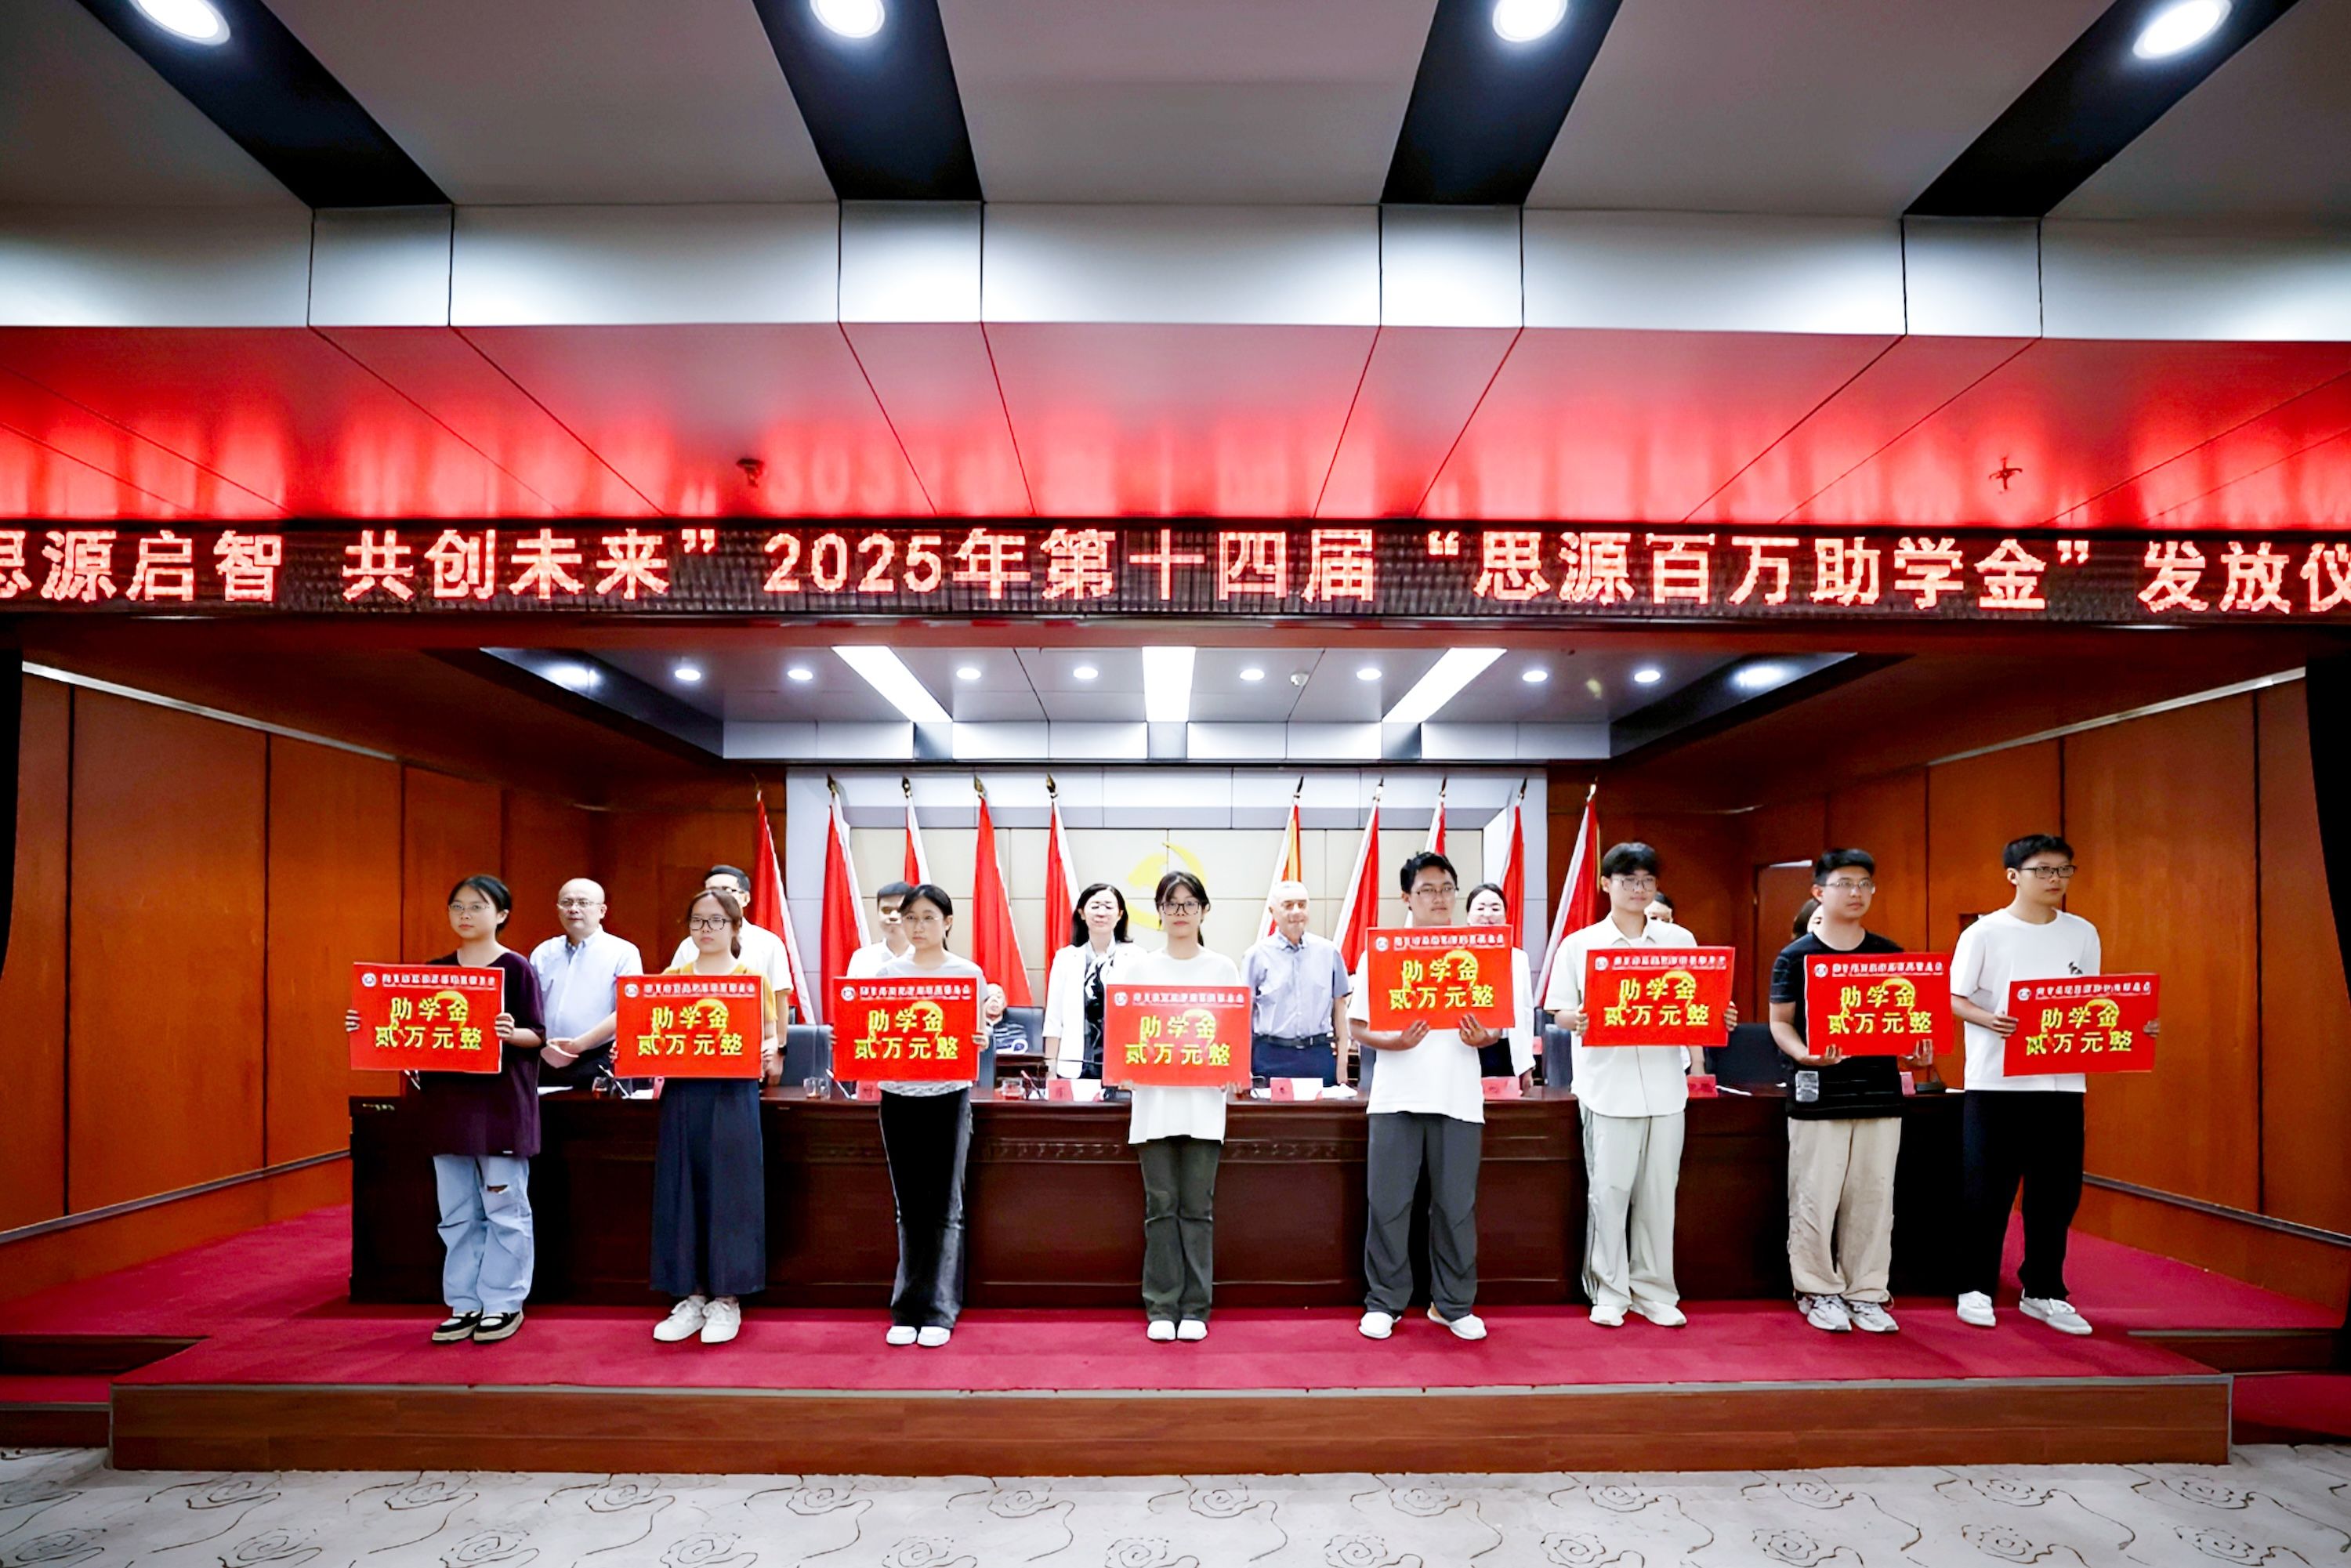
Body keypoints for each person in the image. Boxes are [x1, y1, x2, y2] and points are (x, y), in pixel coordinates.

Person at [552, 889, 781, 1345]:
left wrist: (768, 1050)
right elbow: (633, 1016)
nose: (706, 929)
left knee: (731, 1191)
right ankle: (690, 1295)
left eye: (716, 921)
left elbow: (771, 1036)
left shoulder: (752, 979)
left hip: (733, 1096)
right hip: (683, 1095)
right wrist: (589, 1045)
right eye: (697, 921)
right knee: (681, 1187)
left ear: (736, 927)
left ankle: (727, 1299)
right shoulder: (673, 979)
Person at [1950, 835, 2151, 1337]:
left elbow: (2090, 1001)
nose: (2055, 879)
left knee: (2056, 1193)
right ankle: (1975, 1286)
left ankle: (2043, 1290)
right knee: (1988, 1190)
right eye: (2043, 870)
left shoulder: (2082, 932)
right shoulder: (1985, 932)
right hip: (1996, 1083)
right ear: (2013, 875)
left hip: (2063, 1084)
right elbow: (1951, 997)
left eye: (2064, 870)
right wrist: (1987, 1018)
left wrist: (2133, 1024)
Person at [345, 875, 543, 1345]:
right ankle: (464, 1302)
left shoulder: (516, 969)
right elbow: (404, 1033)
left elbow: (538, 1036)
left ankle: (503, 1302)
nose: (466, 915)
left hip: (499, 1109)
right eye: (458, 906)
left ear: (502, 914)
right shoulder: (434, 972)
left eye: (477, 906)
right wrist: (365, 1023)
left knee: (505, 1208)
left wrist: (509, 1032)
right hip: (447, 1108)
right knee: (455, 1212)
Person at [1546, 842, 1737, 1329]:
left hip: (1665, 1086)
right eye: (1628, 880)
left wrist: (1720, 1017)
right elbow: (1558, 1010)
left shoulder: (1680, 940)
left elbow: (1699, 1006)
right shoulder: (1581, 944)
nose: (1639, 889)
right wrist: (1576, 1018)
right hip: (1607, 1087)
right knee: (1608, 1194)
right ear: (1606, 884)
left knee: (1658, 1195)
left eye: (1648, 880)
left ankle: (1654, 1290)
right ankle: (1609, 1290)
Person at [1768, 849, 1932, 1335]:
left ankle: (1867, 1292)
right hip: (1819, 1093)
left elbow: (1907, 1026)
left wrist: (1916, 1053)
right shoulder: (1796, 957)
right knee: (1815, 1196)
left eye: (1865, 884)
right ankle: (1816, 1290)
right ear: (1819, 892)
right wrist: (1804, 1054)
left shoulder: (1890, 954)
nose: (1856, 893)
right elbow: (1780, 1023)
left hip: (1879, 1092)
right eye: (1844, 884)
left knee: (1874, 1197)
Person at [1349, 852, 1502, 1342]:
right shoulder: (1383, 951)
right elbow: (1357, 1025)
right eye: (1427, 890)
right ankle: (1384, 1302)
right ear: (1407, 898)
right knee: (1389, 1204)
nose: (1439, 898)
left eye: (1446, 889)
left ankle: (1452, 1304)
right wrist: (1394, 1042)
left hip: (1458, 1096)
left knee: (1456, 1206)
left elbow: (1496, 1026)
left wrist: (1484, 1037)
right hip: (1396, 1096)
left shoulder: (1478, 950)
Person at [1114, 871, 1244, 1342]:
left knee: (1197, 1209)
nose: (1181, 912)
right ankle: (1161, 1306)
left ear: (1204, 911)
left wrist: (1235, 1070)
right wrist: (1123, 1069)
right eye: (1172, 904)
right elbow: (1124, 1038)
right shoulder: (1140, 970)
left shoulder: (1222, 969)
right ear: (1160, 913)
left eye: (1190, 904)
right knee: (1161, 1207)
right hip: (1154, 1106)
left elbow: (1234, 1039)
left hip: (1203, 1106)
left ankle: (1195, 1308)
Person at [875, 885, 988, 1347]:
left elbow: (976, 1035)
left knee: (945, 1207)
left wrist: (981, 1039)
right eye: (910, 918)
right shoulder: (886, 974)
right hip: (897, 1096)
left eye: (927, 917)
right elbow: (873, 1031)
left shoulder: (967, 974)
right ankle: (907, 1308)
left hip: (948, 1096)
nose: (918, 926)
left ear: (947, 923)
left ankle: (940, 1310)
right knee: (909, 1207)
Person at [531, 878, 643, 1090]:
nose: (574, 909)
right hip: (546, 1057)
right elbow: (531, 1005)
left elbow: (628, 1010)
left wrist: (578, 1045)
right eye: (567, 903)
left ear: (602, 911)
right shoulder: (544, 952)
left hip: (598, 1057)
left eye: (583, 903)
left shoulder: (623, 952)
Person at [1242, 879, 1351, 1085]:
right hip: (1271, 1056)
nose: (1296, 911)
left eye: (1302, 905)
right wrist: (1242, 1066)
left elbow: (1340, 1007)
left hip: (1318, 1055)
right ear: (1273, 912)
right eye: (1288, 905)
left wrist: (1342, 1064)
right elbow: (1244, 1014)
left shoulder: (1329, 952)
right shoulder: (1256, 956)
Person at [1044, 882, 1135, 1078]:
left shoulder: (1136, 958)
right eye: (1095, 906)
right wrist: (1050, 1067)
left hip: (1122, 1067)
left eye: (1108, 907)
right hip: (1074, 1065)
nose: (1101, 913)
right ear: (1082, 913)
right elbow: (1054, 1018)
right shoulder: (1065, 958)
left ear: (1120, 914)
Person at [667, 866, 793, 1007]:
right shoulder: (689, 945)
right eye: (710, 892)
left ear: (745, 898)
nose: (717, 898)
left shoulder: (769, 944)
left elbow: (780, 995)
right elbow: (671, 993)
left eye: (726, 890)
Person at [1464, 882, 1537, 1085]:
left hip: (1507, 1048)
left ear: (1505, 916)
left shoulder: (1518, 959)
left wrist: (1527, 1064)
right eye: (1480, 908)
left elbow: (1526, 1013)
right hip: (1467, 1048)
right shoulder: (1456, 957)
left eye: (1495, 908)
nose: (1488, 915)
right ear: (1468, 916)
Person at [846, 882, 915, 978]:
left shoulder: (931, 959)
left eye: (901, 910)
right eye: (886, 910)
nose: (893, 916)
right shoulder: (862, 958)